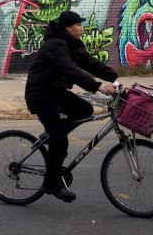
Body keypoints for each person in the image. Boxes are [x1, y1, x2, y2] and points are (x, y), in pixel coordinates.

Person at [24, 10, 120, 203]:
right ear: (68, 28)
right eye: (78, 25)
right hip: (41, 95)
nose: (81, 28)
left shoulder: (73, 44)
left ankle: (52, 134)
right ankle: (51, 184)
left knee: (84, 109)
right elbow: (70, 69)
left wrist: (114, 77)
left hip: (56, 92)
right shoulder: (55, 45)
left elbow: (90, 63)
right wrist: (98, 86)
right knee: (60, 141)